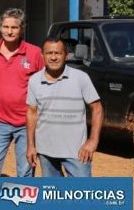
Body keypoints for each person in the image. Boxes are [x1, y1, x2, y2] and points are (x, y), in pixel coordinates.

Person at [0, 8, 44, 210]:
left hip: (27, 124)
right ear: (0, 27)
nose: (9, 31)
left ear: (22, 29)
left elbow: (43, 85)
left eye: (14, 27)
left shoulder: (35, 53)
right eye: (5, 26)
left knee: (26, 171)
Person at [26, 38, 104, 177]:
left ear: (66, 55)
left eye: (58, 53)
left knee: (82, 195)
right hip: (45, 151)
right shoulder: (34, 80)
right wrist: (31, 145)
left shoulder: (81, 78)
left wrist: (92, 141)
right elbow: (31, 113)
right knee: (54, 195)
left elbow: (97, 109)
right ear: (42, 56)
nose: (54, 57)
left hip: (77, 152)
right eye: (49, 53)